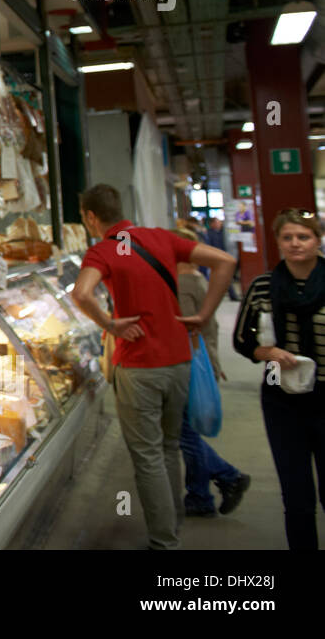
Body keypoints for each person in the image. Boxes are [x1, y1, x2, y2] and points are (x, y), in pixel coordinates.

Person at [71, 184, 236, 550]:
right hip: (178, 361)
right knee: (168, 447)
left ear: (91, 217)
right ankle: (171, 526)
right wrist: (204, 314)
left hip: (138, 365)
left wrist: (110, 324)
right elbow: (226, 262)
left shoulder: (103, 250)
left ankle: (164, 541)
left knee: (147, 456)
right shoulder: (160, 238)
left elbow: (81, 293)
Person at [232, 208, 325, 550]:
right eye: (287, 238)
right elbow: (242, 341)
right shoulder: (263, 287)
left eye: (304, 236)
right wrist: (268, 353)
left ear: (318, 239)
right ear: (277, 242)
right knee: (297, 495)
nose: (295, 244)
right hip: (281, 399)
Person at [173, 227, 250, 518]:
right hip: (203, 358)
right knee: (186, 430)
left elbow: (185, 327)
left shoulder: (182, 283)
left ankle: (228, 476)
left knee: (184, 433)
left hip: (190, 363)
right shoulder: (197, 277)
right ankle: (199, 495)